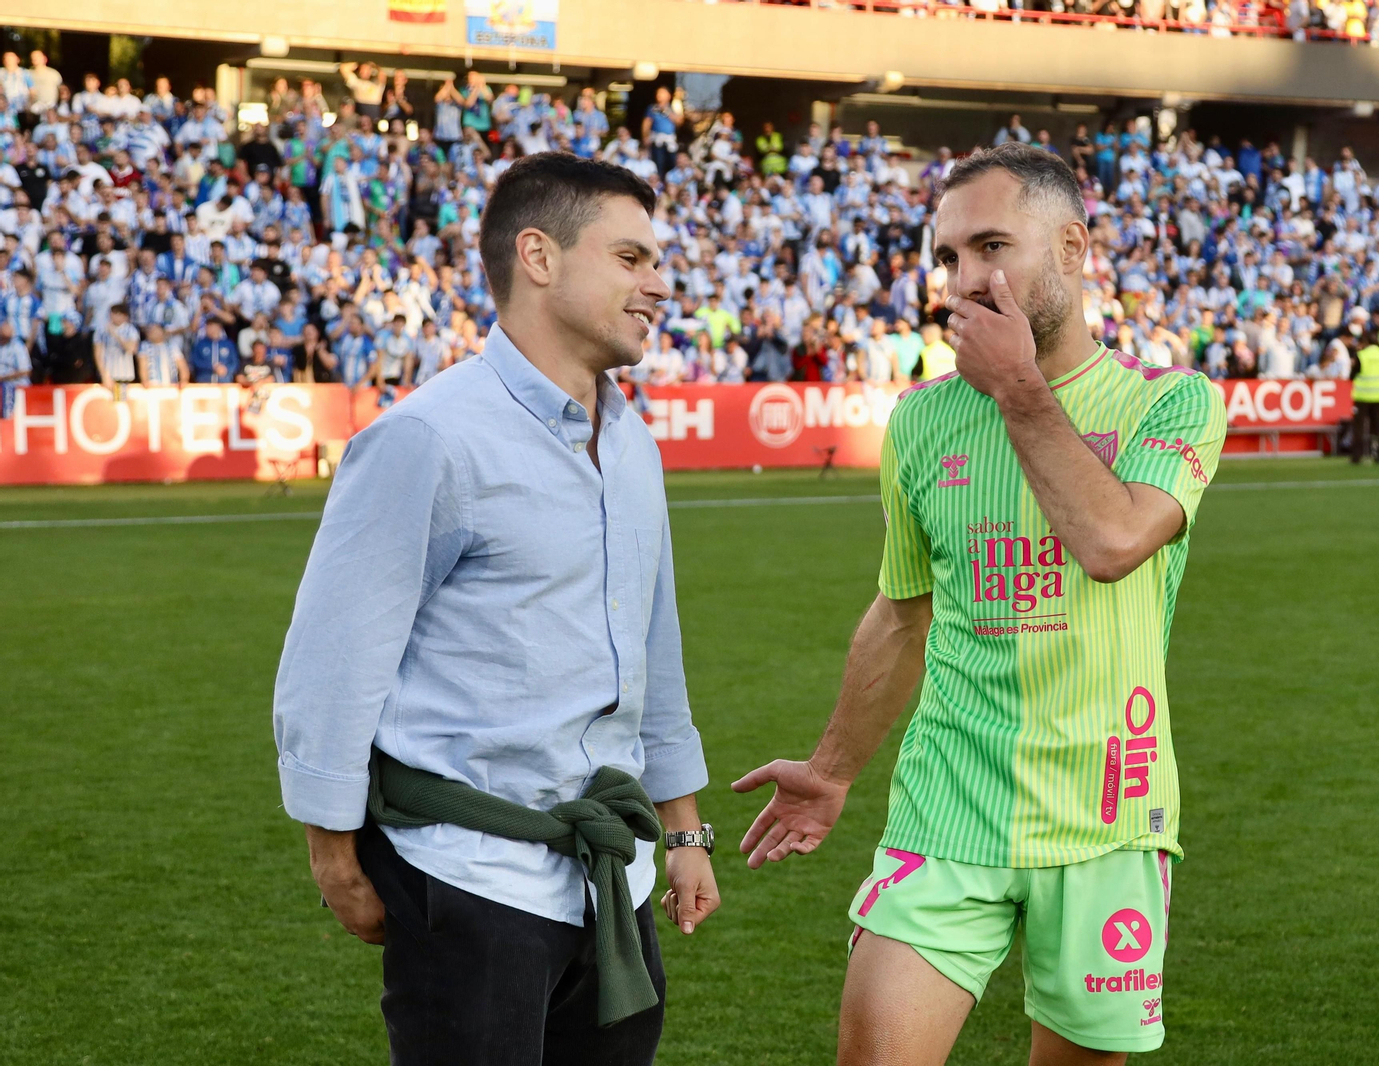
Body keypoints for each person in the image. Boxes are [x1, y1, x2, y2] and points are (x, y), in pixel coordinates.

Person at [734, 144, 1225, 1066]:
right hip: (946, 810)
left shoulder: (1172, 403)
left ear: (1074, 248)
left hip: (1108, 818)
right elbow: (900, 614)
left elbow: (1114, 542)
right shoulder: (922, 420)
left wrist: (1017, 388)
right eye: (949, 257)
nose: (964, 279)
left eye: (992, 246)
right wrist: (835, 767)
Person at [273, 152, 719, 1066]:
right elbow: (335, 658)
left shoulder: (633, 443)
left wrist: (683, 831)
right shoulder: (427, 440)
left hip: (615, 883)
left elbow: (653, 654)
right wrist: (331, 851)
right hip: (468, 882)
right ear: (539, 257)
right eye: (631, 259)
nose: (658, 285)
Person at [1350, 333, 1379, 464]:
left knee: (1359, 427)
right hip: (1378, 396)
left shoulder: (1362, 355)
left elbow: (1352, 375)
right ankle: (1378, 455)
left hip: (1362, 396)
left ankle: (1357, 456)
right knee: (1377, 427)